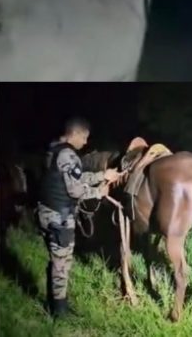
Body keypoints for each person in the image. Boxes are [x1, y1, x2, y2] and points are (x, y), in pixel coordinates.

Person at [36, 116, 119, 317]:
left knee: (57, 260)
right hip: (60, 217)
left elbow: (74, 177)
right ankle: (59, 312)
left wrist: (102, 176)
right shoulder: (69, 155)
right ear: (75, 133)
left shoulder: (53, 150)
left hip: (47, 211)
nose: (85, 142)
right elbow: (74, 190)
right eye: (84, 137)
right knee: (61, 264)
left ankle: (56, 302)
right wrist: (99, 193)